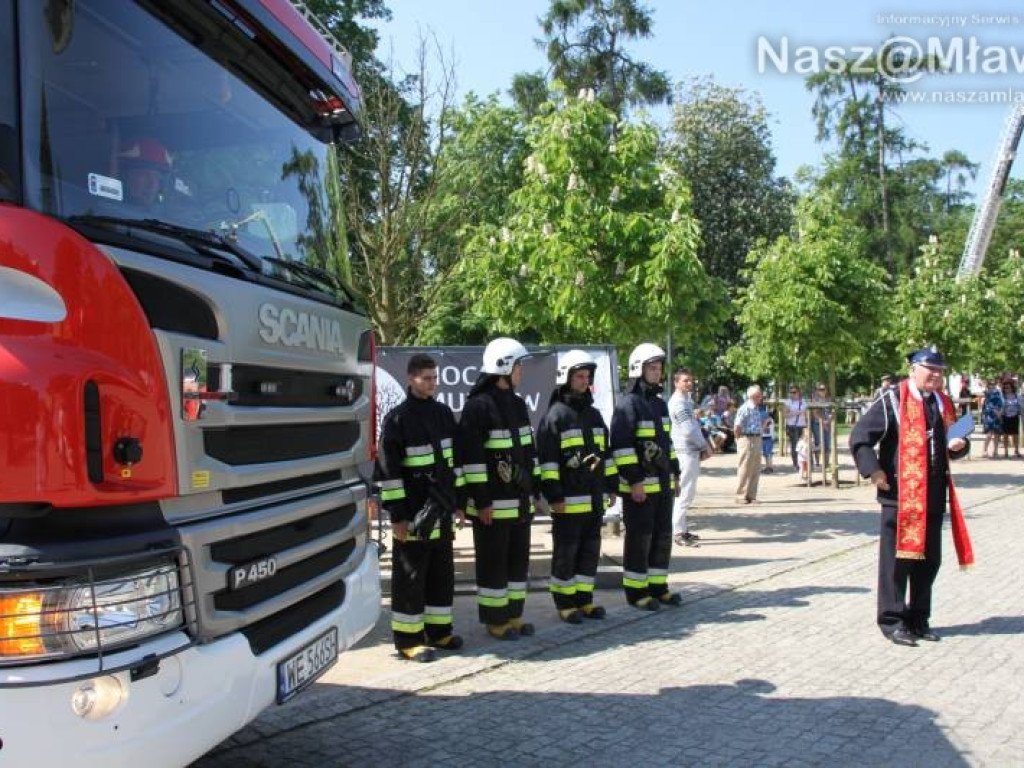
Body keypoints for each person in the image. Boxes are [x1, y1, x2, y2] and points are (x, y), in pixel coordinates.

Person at [849, 346, 973, 647]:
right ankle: (892, 620)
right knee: (898, 562)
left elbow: (956, 438)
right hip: (900, 496)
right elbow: (860, 437)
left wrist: (960, 444)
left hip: (932, 495)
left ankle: (919, 618)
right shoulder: (893, 399)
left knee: (929, 561)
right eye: (930, 369)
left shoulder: (942, 402)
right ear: (912, 369)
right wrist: (874, 471)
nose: (936, 375)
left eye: (940, 370)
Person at [375, 354, 465, 662]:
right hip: (413, 516)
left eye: (434, 378)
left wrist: (459, 505)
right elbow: (389, 473)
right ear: (411, 379)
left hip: (441, 512)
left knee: (442, 575)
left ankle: (439, 633)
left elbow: (454, 465)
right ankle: (408, 640)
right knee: (410, 578)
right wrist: (397, 516)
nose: (432, 384)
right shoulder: (397, 419)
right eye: (426, 378)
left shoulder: (443, 414)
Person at [458, 338, 540, 640]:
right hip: (491, 504)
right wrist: (481, 502)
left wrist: (535, 487)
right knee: (494, 563)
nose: (522, 371)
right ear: (504, 366)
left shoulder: (517, 404)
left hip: (519, 502)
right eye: (519, 366)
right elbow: (472, 461)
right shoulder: (478, 408)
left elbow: (528, 452)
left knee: (518, 561)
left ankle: (513, 615)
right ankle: (495, 620)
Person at [537, 350, 617, 623]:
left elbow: (605, 455)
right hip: (567, 501)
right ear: (566, 378)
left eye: (587, 377)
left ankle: (585, 600)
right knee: (566, 552)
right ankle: (565, 602)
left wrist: (611, 486)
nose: (585, 381)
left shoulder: (594, 416)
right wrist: (554, 496)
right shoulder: (555, 416)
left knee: (589, 551)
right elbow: (547, 463)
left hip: (594, 499)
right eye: (580, 376)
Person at [610, 343, 683, 610]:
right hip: (640, 488)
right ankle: (636, 591)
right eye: (652, 367)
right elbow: (621, 447)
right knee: (640, 539)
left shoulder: (660, 405)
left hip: (662, 484)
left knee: (662, 537)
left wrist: (675, 471)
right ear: (638, 369)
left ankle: (658, 587)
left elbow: (666, 443)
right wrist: (635, 481)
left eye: (659, 367)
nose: (657, 372)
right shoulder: (628, 404)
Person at [668, 368, 711, 547]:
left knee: (687, 492)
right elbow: (688, 429)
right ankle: (678, 532)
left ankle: (682, 529)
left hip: (688, 451)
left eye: (690, 380)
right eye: (685, 380)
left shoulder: (686, 401)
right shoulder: (679, 403)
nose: (689, 383)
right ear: (676, 383)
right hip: (685, 452)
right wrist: (704, 446)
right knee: (684, 492)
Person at [734, 385, 767, 504]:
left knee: (756, 468)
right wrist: (739, 439)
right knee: (745, 467)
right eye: (759, 395)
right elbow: (737, 426)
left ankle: (751, 495)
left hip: (757, 438)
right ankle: (740, 495)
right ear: (753, 396)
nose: (761, 397)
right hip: (746, 438)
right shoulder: (745, 408)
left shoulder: (756, 408)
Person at [117, 137, 172, 208]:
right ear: (124, 176)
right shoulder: (104, 210)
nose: (152, 183)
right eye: (145, 174)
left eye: (157, 176)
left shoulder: (163, 217)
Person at [782, 385, 808, 471]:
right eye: (791, 392)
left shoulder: (803, 401)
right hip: (792, 426)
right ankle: (796, 464)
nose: (792, 394)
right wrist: (796, 413)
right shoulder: (788, 402)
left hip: (802, 425)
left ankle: (804, 463)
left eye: (794, 392)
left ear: (799, 392)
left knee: (804, 445)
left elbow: (805, 413)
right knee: (794, 445)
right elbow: (785, 414)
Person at [811, 383, 834, 469]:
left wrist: (828, 421)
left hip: (828, 424)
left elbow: (832, 411)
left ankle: (826, 464)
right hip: (818, 424)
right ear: (817, 391)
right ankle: (817, 463)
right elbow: (815, 413)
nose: (822, 391)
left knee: (827, 444)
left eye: (823, 389)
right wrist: (823, 422)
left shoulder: (829, 399)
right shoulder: (815, 400)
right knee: (818, 443)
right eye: (820, 389)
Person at [981, 378, 1004, 459]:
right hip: (990, 415)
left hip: (998, 414)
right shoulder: (987, 393)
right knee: (989, 434)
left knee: (997, 434)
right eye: (991, 383)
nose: (992, 385)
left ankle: (995, 451)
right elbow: (987, 404)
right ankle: (984, 451)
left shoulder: (998, 393)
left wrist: (1000, 413)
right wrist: (995, 411)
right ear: (988, 385)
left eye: (993, 383)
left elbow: (1002, 403)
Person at [1000, 379, 1020, 458]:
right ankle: (1006, 452)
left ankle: (1016, 450)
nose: (1007, 389)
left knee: (1015, 434)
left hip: (1015, 416)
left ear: (1012, 387)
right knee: (1005, 435)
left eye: (1008, 387)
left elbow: (1020, 405)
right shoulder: (1002, 396)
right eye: (1005, 388)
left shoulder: (1016, 395)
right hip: (1005, 417)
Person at [759, 400, 775, 474]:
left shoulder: (769, 420)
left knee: (768, 453)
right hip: (763, 437)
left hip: (768, 438)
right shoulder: (765, 419)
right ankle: (767, 466)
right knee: (765, 453)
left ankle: (770, 467)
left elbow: (764, 427)